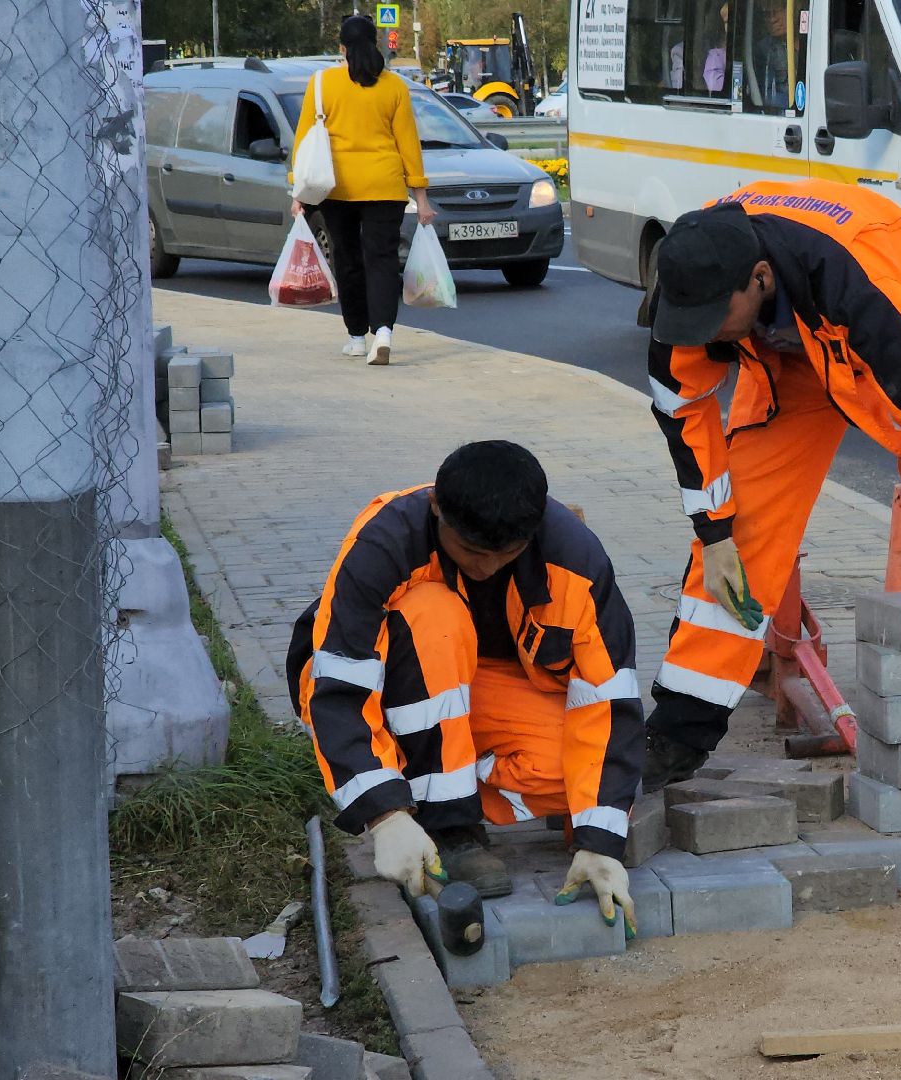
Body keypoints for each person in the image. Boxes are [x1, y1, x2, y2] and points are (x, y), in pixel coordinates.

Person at [642, 180, 901, 823]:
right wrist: (715, 530)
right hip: (794, 349)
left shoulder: (868, 296)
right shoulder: (695, 272)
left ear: (757, 280)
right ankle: (675, 734)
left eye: (709, 322)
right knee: (745, 527)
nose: (698, 336)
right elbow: (683, 408)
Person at [287, 441, 642, 933]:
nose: (486, 569)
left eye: (507, 554)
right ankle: (446, 824)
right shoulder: (385, 541)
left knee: (574, 774)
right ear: (437, 510)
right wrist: (382, 815)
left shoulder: (576, 559)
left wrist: (600, 843)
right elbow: (341, 688)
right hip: (383, 680)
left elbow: (608, 701)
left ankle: (431, 779)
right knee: (437, 614)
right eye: (471, 551)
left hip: (472, 689)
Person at [291, 16, 437, 367]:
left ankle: (357, 337)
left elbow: (304, 139)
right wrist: (420, 196)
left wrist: (298, 192)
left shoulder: (322, 83)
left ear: (341, 47)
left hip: (337, 188)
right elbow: (408, 145)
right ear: (375, 43)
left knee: (348, 260)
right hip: (385, 186)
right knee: (383, 260)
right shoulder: (395, 87)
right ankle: (383, 333)